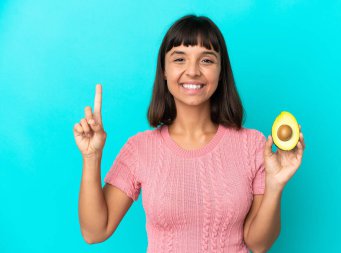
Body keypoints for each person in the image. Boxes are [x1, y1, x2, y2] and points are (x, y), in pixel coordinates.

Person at [74, 14, 305, 253]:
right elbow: (95, 231)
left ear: (220, 71)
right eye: (179, 59)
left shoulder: (253, 145)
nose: (192, 71)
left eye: (206, 60)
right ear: (164, 70)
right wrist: (91, 158)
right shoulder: (140, 148)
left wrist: (275, 185)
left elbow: (259, 244)